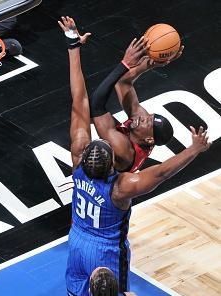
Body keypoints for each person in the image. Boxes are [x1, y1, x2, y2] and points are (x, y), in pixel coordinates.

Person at [58, 16, 211, 296]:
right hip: (104, 251)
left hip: (77, 239)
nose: (141, 117)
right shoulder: (122, 185)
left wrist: (73, 47)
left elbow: (80, 101)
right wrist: (194, 150)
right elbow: (163, 172)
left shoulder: (81, 158)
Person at [90, 35, 184, 172]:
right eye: (149, 116)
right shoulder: (142, 126)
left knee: (82, 114)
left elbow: (96, 104)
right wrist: (148, 65)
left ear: (149, 140)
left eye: (148, 121)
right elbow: (123, 83)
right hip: (118, 141)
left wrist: (125, 64)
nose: (143, 117)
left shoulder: (124, 149)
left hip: (104, 188)